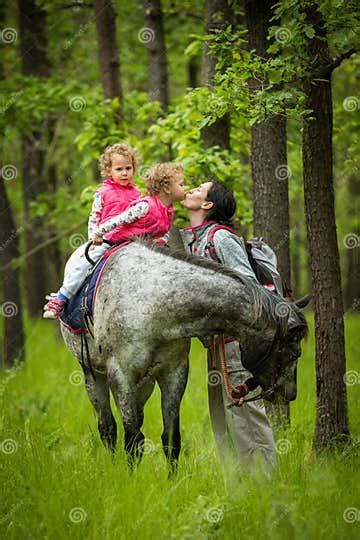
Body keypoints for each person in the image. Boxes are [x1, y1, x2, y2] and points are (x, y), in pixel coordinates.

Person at [180, 181, 277, 471]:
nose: (190, 191)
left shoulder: (221, 238)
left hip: (236, 343)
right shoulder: (196, 240)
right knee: (224, 421)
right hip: (216, 346)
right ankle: (239, 493)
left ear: (208, 205)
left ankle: (266, 489)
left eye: (198, 189)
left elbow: (249, 288)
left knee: (247, 414)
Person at [43, 162, 186, 318]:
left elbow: (163, 231)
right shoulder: (145, 206)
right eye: (182, 184)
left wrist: (161, 242)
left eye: (128, 168)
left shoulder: (168, 210)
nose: (124, 173)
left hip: (137, 244)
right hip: (114, 239)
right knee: (85, 264)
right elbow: (119, 220)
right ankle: (61, 298)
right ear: (167, 188)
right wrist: (98, 233)